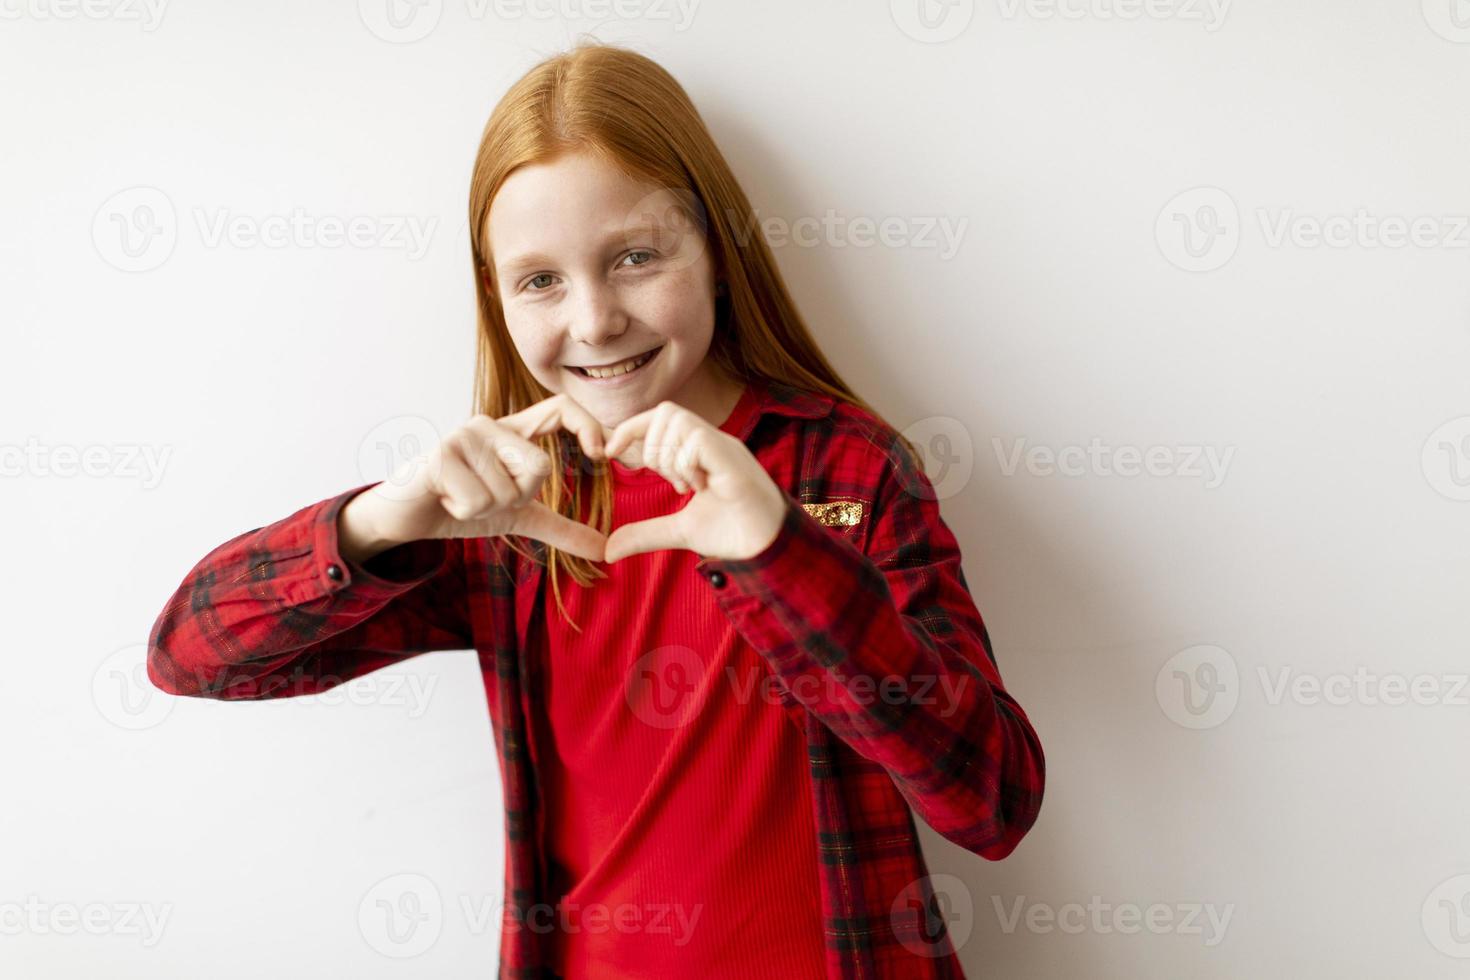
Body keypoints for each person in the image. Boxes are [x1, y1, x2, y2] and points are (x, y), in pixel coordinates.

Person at [146, 40, 1045, 980]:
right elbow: (192, 657)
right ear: (497, 297)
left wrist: (780, 553)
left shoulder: (848, 469)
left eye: (635, 258)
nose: (594, 320)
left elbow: (993, 803)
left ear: (717, 250)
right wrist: (383, 517)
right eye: (541, 280)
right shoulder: (505, 513)